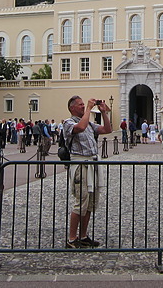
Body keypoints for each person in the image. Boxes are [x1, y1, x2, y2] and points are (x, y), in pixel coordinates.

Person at [63, 96, 112, 249]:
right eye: (80, 105)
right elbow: (80, 128)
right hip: (80, 165)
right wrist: (90, 109)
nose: (83, 106)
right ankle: (72, 238)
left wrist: (104, 113)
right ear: (72, 108)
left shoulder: (89, 123)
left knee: (90, 203)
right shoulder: (68, 123)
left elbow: (107, 130)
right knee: (81, 202)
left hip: (92, 164)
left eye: (84, 104)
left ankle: (83, 236)